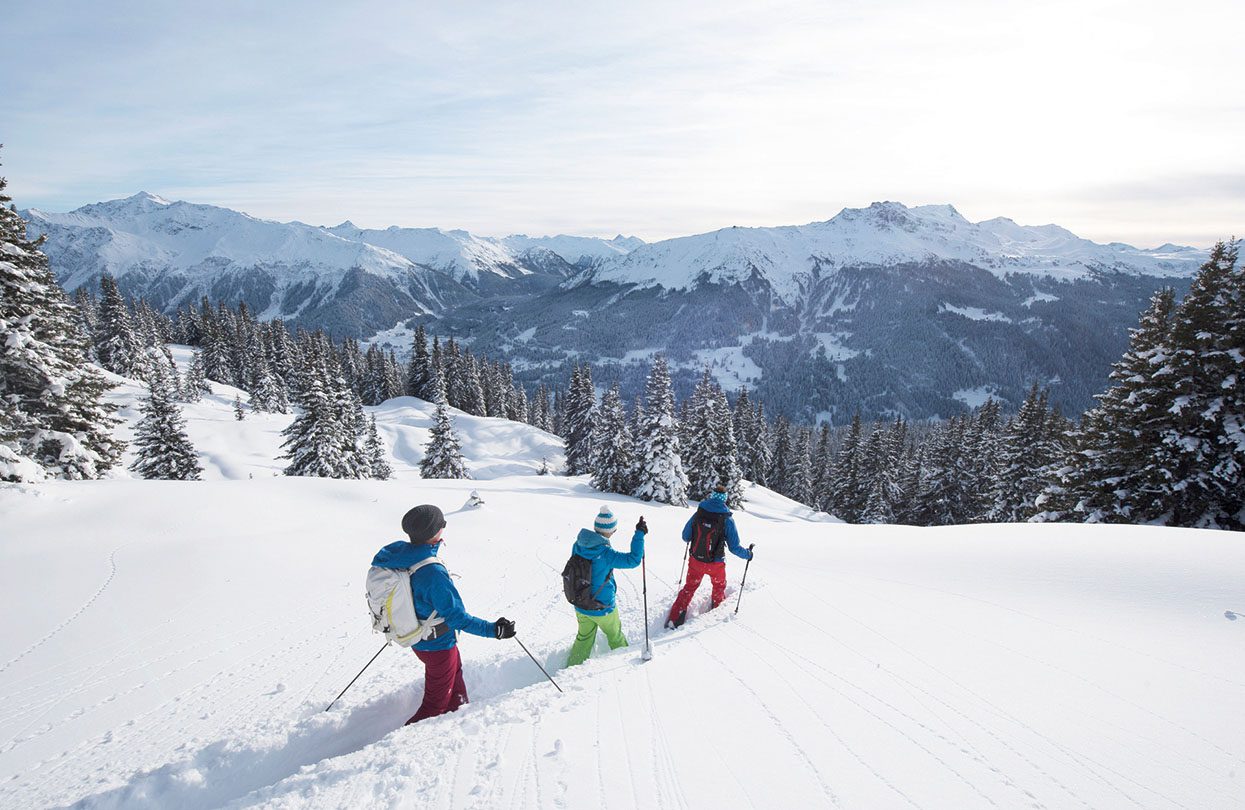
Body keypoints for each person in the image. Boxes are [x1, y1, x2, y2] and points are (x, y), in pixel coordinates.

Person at [370, 504, 516, 725]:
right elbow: (457, 618)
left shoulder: (401, 554)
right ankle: (401, 746)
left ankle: (459, 714)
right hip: (437, 645)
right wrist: (494, 630)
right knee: (434, 706)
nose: (443, 528)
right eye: (442, 525)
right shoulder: (431, 572)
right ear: (434, 532)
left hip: (423, 638)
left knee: (455, 676)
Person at [566, 506, 646, 666]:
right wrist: (639, 535)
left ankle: (571, 668)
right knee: (615, 636)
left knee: (584, 638)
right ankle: (625, 664)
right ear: (611, 531)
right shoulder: (606, 554)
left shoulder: (578, 545)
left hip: (581, 603)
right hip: (602, 607)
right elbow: (633, 560)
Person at [666, 485, 753, 628]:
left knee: (689, 587)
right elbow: (734, 548)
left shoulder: (699, 513)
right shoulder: (727, 519)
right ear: (725, 499)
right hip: (716, 564)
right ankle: (715, 613)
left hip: (695, 561)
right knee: (719, 586)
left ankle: (674, 619)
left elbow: (685, 537)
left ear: (712, 496)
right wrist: (748, 555)